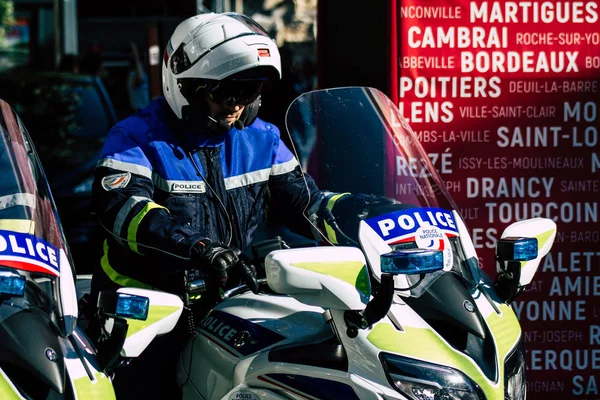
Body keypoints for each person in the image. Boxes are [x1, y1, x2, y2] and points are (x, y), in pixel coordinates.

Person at [88, 12, 394, 399]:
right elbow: (124, 211)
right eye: (225, 92)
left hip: (229, 303)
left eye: (249, 91)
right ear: (186, 85)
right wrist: (197, 247)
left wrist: (368, 213)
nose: (237, 105)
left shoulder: (262, 139)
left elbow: (307, 205)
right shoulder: (136, 138)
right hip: (151, 312)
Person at [126, 42, 150, 111]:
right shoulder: (132, 76)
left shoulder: (147, 76)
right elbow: (140, 78)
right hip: (139, 112)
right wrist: (136, 55)